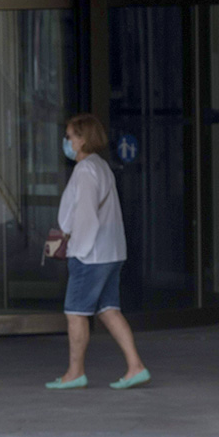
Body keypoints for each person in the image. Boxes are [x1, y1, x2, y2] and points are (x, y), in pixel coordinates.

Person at [45, 113, 151, 391]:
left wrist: (77, 251)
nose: (66, 142)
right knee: (108, 310)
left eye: (69, 136)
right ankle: (135, 366)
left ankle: (74, 372)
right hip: (111, 252)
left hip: (91, 255)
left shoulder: (86, 171)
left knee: (75, 312)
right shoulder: (100, 166)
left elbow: (86, 215)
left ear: (81, 139)